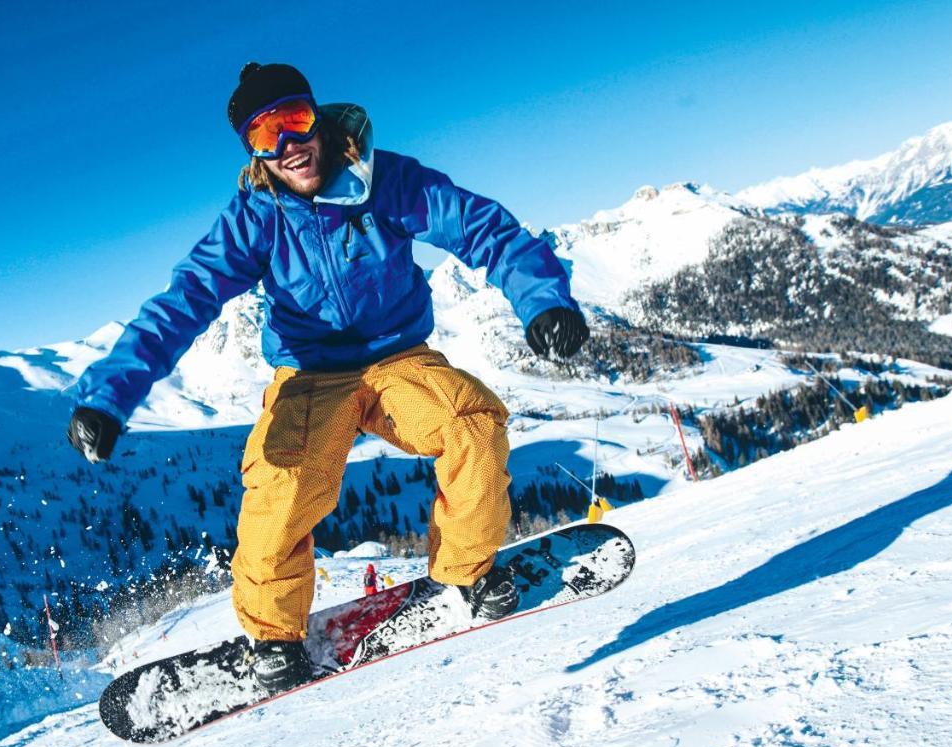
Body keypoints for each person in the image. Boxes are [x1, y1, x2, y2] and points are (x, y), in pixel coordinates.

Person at [67, 63, 589, 694]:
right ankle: (274, 634)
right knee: (283, 481)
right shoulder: (255, 218)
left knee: (472, 423)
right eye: (266, 136)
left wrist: (543, 301)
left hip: (398, 357)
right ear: (254, 153)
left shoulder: (385, 181)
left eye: (294, 121)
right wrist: (109, 397)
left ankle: (463, 573)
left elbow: (482, 227)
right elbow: (184, 302)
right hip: (310, 374)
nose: (288, 145)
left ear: (317, 117)